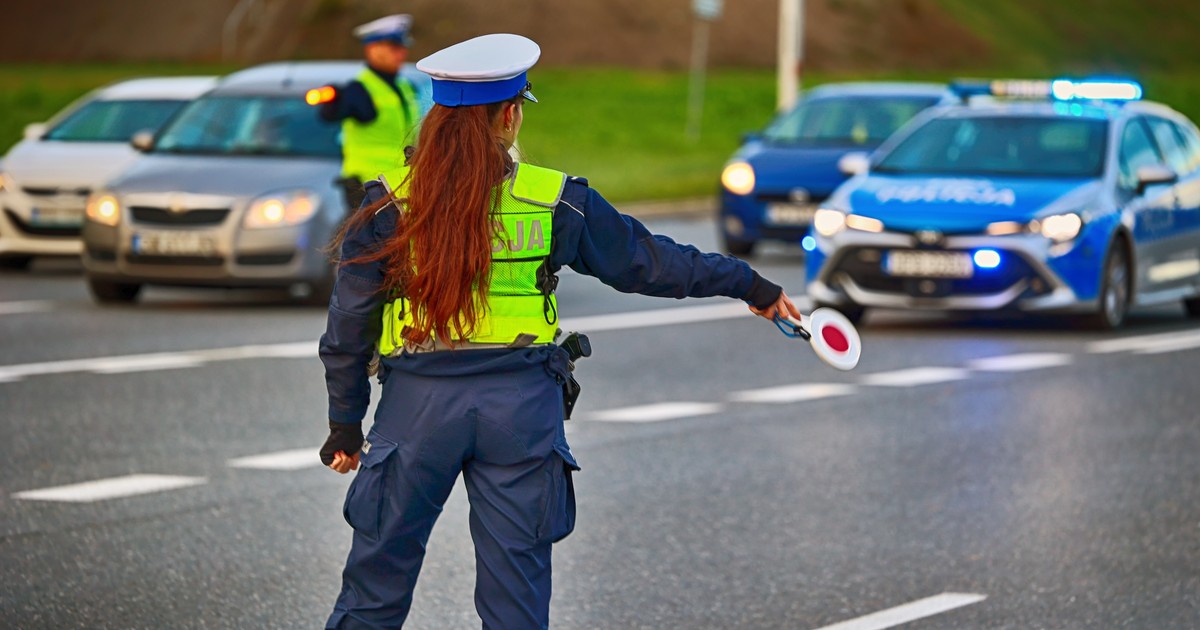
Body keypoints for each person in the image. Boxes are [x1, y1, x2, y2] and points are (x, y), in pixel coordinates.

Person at [317, 33, 802, 629]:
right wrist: (751, 284)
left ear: (437, 120)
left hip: (417, 406)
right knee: (516, 598)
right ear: (511, 115)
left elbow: (348, 327)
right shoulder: (554, 199)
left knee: (375, 587)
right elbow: (646, 262)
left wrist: (345, 425)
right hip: (520, 411)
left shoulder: (391, 202)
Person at [318, 14, 424, 210]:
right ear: (372, 49)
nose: (401, 54)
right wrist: (335, 101)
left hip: (399, 182)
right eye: (393, 48)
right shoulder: (358, 89)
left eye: (402, 48)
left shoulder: (404, 87)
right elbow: (329, 116)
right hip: (367, 187)